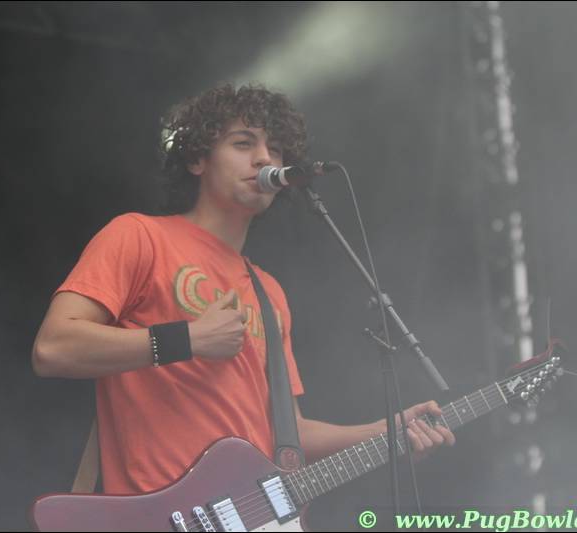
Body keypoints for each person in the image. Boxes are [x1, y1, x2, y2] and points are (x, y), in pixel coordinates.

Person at [31, 84, 455, 496]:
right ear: (197, 159)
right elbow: (53, 348)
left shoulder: (269, 293)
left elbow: (289, 433)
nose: (265, 158)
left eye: (276, 149)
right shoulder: (139, 236)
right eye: (243, 143)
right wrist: (188, 339)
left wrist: (384, 432)